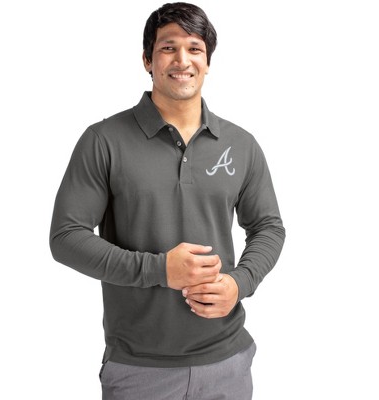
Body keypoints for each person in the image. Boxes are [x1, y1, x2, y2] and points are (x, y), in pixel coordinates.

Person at [50, 2, 285, 399]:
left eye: (195, 49)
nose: (182, 60)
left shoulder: (241, 144)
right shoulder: (103, 141)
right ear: (147, 60)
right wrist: (160, 269)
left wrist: (239, 282)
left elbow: (268, 227)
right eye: (168, 48)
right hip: (139, 369)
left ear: (207, 62)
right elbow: (66, 237)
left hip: (227, 363)